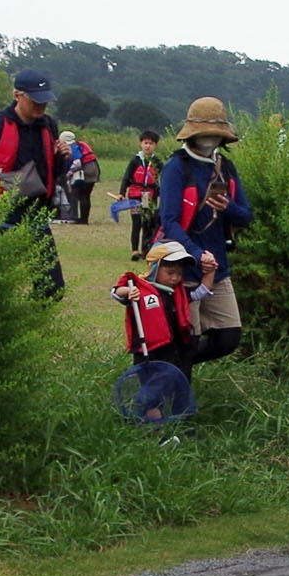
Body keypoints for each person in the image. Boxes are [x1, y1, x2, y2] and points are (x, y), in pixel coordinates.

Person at [155, 97, 252, 371]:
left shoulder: (226, 168)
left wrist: (227, 207)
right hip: (183, 269)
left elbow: (246, 215)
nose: (209, 139)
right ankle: (175, 398)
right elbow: (169, 222)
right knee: (188, 338)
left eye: (214, 134)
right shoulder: (177, 166)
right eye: (205, 133)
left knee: (228, 336)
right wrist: (196, 255)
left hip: (218, 267)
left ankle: (165, 364)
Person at [0, 71, 65, 298]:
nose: (41, 106)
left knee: (51, 288)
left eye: (44, 100)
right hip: (2, 214)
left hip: (35, 215)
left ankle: (34, 325)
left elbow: (54, 173)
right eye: (35, 100)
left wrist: (62, 157)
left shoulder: (48, 126)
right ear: (17, 95)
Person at [111, 239, 210, 377]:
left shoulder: (178, 293)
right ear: (154, 268)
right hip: (146, 350)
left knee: (168, 379)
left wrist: (211, 271)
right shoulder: (140, 288)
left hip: (170, 347)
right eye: (170, 273)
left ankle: (168, 398)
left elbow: (202, 291)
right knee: (148, 381)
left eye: (179, 274)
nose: (175, 278)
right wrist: (128, 292)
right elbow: (116, 292)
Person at [120, 130, 163, 257]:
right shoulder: (135, 161)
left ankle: (146, 250)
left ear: (155, 145)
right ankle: (134, 250)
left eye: (151, 143)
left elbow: (163, 180)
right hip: (135, 195)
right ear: (141, 144)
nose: (148, 146)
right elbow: (126, 177)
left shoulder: (158, 163)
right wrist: (122, 192)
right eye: (145, 143)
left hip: (150, 197)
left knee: (148, 223)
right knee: (136, 222)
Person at [58, 129, 100, 223]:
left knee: (80, 195)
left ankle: (80, 219)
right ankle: (84, 218)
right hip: (94, 169)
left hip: (86, 171)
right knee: (86, 196)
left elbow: (77, 163)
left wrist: (68, 174)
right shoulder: (80, 145)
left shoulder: (72, 147)